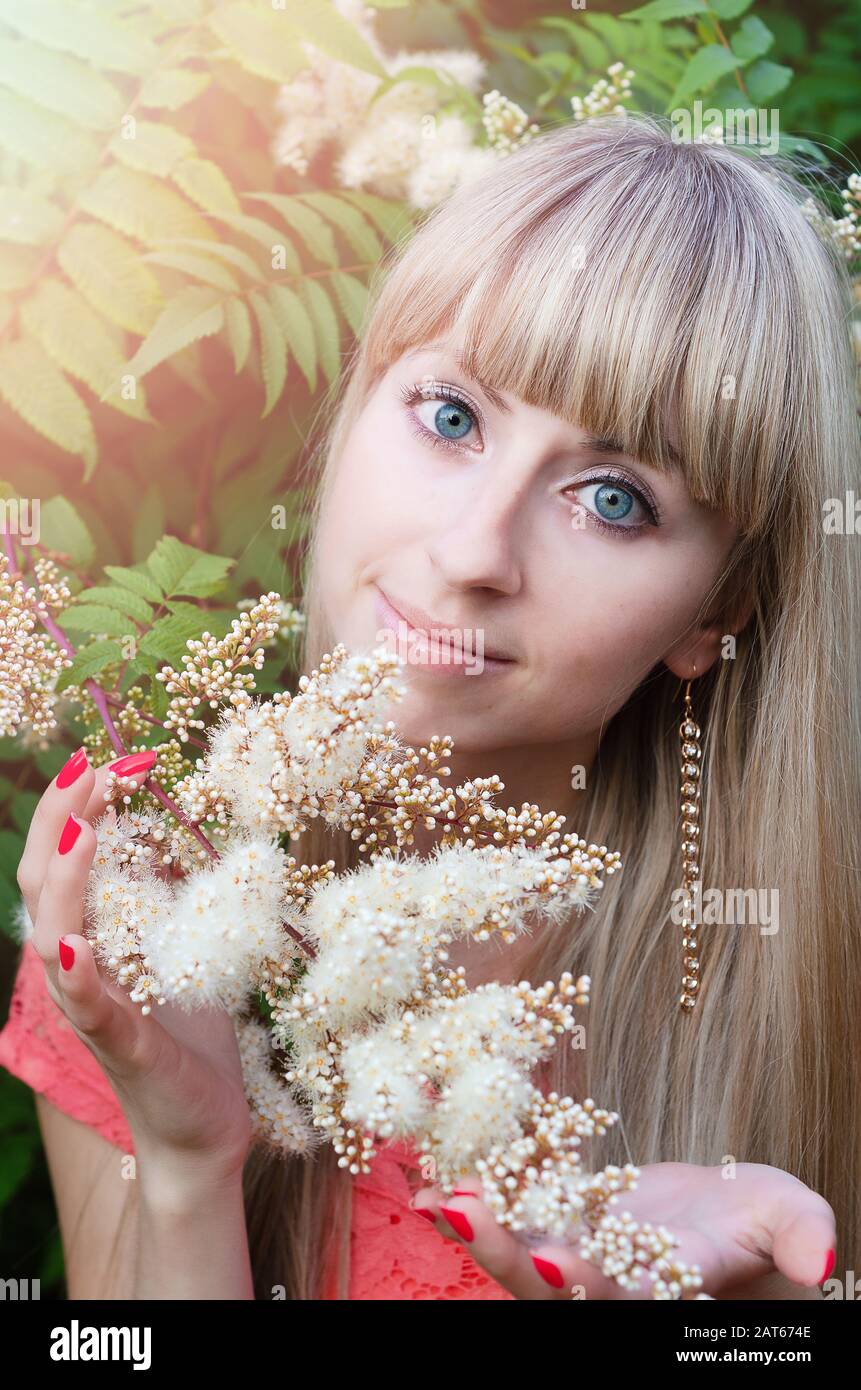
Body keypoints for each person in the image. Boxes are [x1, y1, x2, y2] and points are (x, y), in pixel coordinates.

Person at [1, 111, 858, 1301]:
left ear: (720, 611)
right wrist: (191, 1161)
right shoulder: (151, 926)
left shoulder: (812, 1029)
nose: (471, 551)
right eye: (452, 416)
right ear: (356, 409)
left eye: (613, 497)